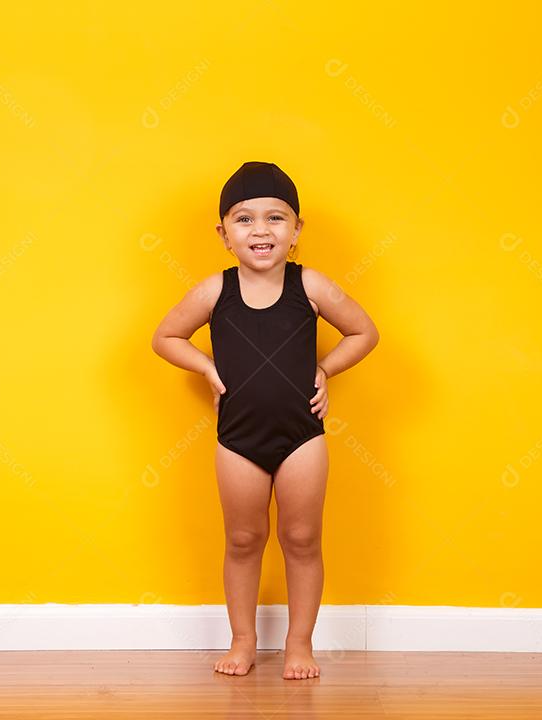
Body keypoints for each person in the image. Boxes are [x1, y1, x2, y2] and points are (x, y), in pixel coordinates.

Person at [151, 161, 379, 679]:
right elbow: (165, 337)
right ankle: (243, 640)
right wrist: (208, 369)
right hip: (237, 441)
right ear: (224, 233)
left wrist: (325, 368)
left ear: (296, 231)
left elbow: (364, 332)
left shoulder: (311, 286)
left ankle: (300, 645)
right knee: (242, 540)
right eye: (245, 219)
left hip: (302, 437)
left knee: (302, 539)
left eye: (276, 219)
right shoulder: (215, 291)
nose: (261, 230)